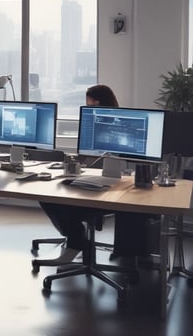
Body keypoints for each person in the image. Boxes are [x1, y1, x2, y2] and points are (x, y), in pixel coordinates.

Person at [39, 84, 151, 261]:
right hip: (97, 181)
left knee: (58, 200)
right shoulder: (105, 120)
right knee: (48, 194)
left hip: (112, 187)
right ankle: (76, 238)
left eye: (88, 101)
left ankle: (76, 240)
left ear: (96, 101)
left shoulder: (109, 123)